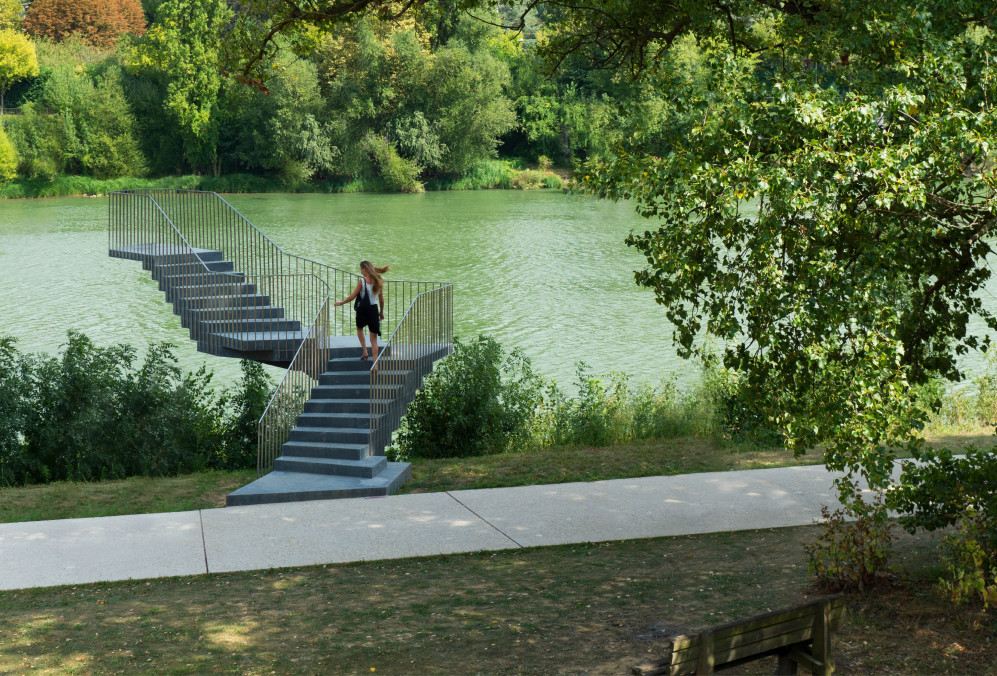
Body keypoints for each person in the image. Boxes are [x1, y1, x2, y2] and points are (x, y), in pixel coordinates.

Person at [335, 260, 389, 367]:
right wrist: (381, 313)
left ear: (364, 269)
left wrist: (341, 302)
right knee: (373, 339)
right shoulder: (378, 281)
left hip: (363, 310)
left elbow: (352, 296)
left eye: (361, 269)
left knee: (359, 329)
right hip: (373, 310)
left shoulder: (362, 281)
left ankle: (365, 351)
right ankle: (375, 363)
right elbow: (381, 300)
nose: (361, 272)